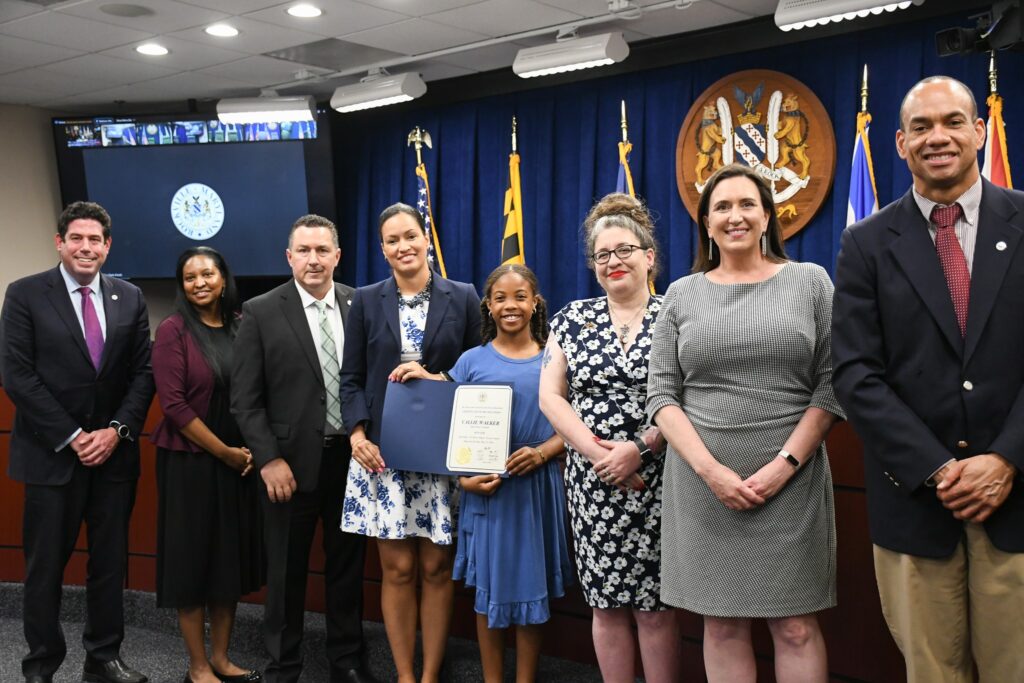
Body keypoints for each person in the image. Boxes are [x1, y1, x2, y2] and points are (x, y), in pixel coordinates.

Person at [832, 76, 1024, 683]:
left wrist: (1006, 459)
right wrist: (939, 469)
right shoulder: (865, 243)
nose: (937, 137)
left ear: (979, 131)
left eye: (952, 122)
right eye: (921, 127)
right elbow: (855, 373)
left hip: (1017, 498)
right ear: (900, 143)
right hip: (916, 504)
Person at [646, 164, 843, 683]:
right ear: (707, 224)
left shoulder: (811, 282)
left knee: (795, 627)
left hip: (792, 483)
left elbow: (830, 385)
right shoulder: (681, 294)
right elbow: (662, 396)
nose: (735, 216)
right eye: (722, 207)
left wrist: (784, 466)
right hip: (702, 487)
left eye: (747, 204)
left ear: (767, 216)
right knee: (722, 626)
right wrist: (711, 472)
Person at [1, 201, 154, 683]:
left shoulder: (130, 297)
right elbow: (17, 375)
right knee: (45, 568)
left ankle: (103, 658)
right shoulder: (25, 293)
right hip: (51, 456)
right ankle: (41, 665)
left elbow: (143, 373)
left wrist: (116, 431)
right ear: (60, 243)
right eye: (77, 239)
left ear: (107, 246)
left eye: (95, 240)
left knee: (109, 565)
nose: (86, 247)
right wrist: (72, 436)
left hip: (114, 457)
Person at [404, 264, 573, 682]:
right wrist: (463, 479)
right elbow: (447, 427)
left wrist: (543, 453)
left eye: (520, 296)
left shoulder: (555, 358)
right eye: (500, 298)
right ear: (488, 306)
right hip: (486, 493)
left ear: (536, 303)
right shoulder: (470, 361)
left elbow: (574, 427)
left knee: (532, 594)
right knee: (488, 593)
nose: (510, 305)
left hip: (536, 491)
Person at [539, 193, 680, 683]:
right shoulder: (571, 319)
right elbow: (550, 397)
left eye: (624, 250)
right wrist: (603, 456)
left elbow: (691, 396)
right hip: (592, 482)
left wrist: (638, 450)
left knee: (656, 608)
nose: (613, 261)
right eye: (602, 255)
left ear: (649, 256)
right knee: (605, 603)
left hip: (661, 478)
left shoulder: (676, 313)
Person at [339, 203, 481, 683]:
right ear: (382, 250)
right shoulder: (365, 300)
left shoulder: (463, 296)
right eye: (392, 240)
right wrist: (357, 434)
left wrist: (438, 378)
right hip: (382, 454)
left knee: (437, 568)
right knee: (397, 569)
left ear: (425, 239)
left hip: (441, 451)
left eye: (410, 236)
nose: (403, 247)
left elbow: (478, 372)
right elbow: (351, 378)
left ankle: (430, 675)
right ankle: (404, 675)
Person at [231, 215, 373, 683]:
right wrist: (269, 459)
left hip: (352, 460)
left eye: (322, 250)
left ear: (338, 255)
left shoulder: (360, 304)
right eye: (304, 251)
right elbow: (245, 399)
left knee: (348, 569)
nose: (314, 259)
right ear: (289, 257)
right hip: (287, 466)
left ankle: (346, 662)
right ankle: (284, 667)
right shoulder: (260, 311)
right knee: (286, 572)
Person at [151, 247, 263, 683]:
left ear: (223, 278)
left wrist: (245, 451)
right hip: (191, 464)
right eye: (190, 277)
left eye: (208, 274)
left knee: (225, 563)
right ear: (182, 285)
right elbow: (174, 407)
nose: (199, 283)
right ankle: (198, 666)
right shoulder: (172, 331)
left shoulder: (240, 325)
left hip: (238, 463)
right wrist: (226, 453)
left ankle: (221, 658)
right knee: (192, 563)